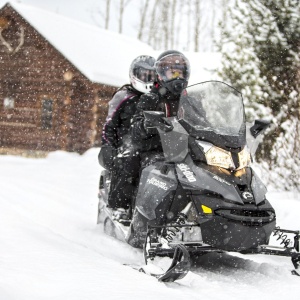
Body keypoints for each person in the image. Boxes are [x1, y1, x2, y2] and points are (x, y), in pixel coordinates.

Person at [99, 55, 156, 218]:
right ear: (134, 74)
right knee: (128, 162)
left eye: (151, 75)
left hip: (151, 143)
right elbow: (109, 125)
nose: (147, 79)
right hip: (126, 144)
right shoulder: (124, 96)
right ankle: (119, 207)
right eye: (144, 75)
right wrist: (108, 146)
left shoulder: (155, 97)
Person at [131, 50, 191, 165]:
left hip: (188, 152)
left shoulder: (191, 101)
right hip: (156, 152)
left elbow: (203, 124)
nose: (177, 77)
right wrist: (146, 124)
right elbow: (134, 132)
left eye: (180, 73)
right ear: (161, 75)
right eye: (173, 73)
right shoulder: (150, 99)